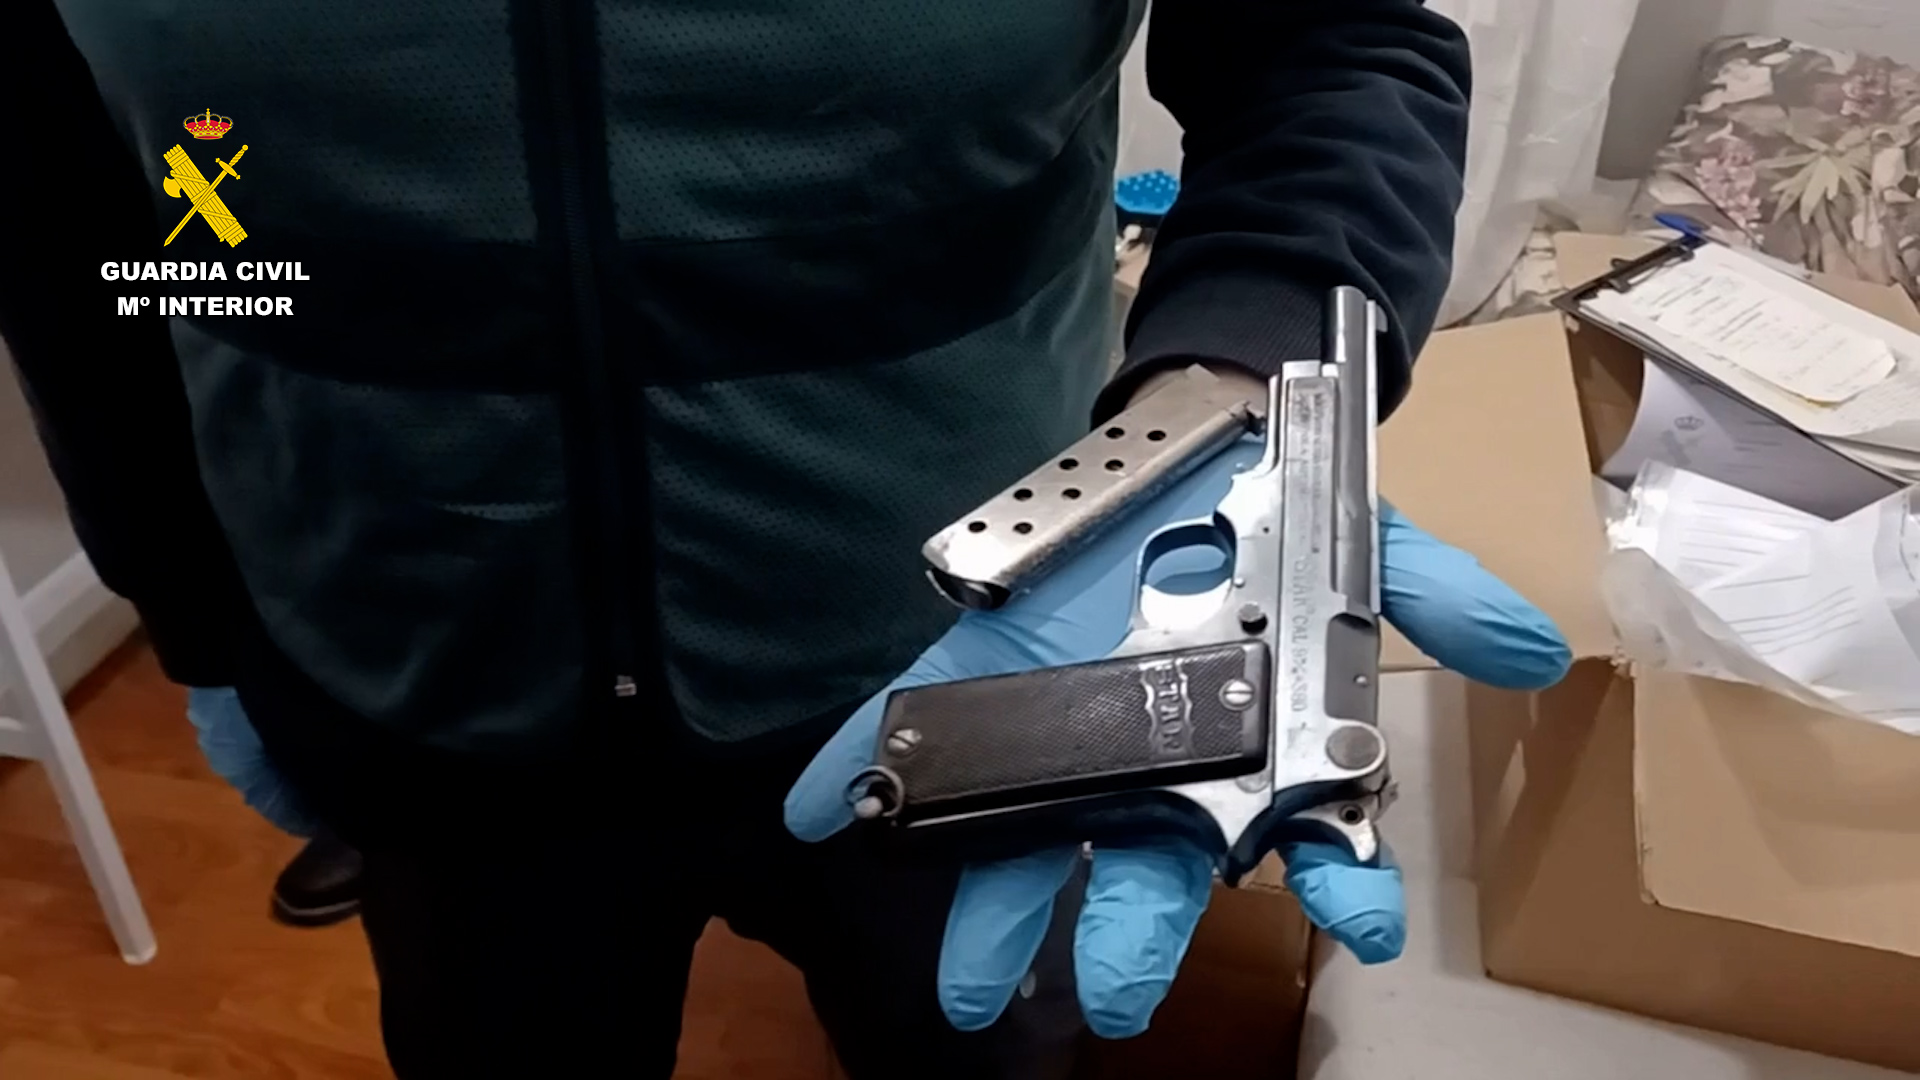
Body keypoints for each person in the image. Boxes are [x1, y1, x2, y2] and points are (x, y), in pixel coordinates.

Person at [1, 2, 1571, 1078]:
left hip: (970, 674)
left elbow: (1323, 44)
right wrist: (186, 603)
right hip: (416, 689)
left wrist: (1232, 402)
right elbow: (72, 210)